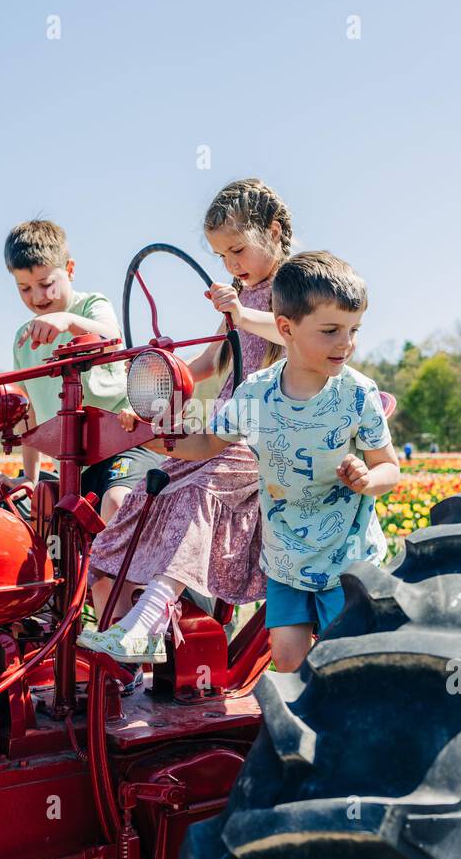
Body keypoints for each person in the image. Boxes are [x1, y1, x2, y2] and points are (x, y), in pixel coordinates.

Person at [89, 250, 400, 674]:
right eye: (331, 331)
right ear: (285, 329)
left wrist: (368, 478)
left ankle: (341, 731)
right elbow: (206, 444)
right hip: (287, 557)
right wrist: (159, 440)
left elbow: (390, 467)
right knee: (288, 659)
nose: (346, 343)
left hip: (346, 556)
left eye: (353, 329)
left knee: (346, 664)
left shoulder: (358, 394)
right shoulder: (256, 394)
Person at [80, 177, 293, 662]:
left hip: (265, 430)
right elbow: (209, 364)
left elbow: (294, 333)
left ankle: (148, 621)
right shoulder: (240, 296)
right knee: (138, 497)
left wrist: (239, 312)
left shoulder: (293, 286)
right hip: (221, 425)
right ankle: (133, 635)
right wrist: (157, 378)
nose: (231, 265)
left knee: (199, 493)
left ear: (274, 231)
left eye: (238, 249)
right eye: (222, 256)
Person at [5, 219, 159, 521]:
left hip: (125, 443)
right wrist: (30, 477)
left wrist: (67, 320)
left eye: (47, 284)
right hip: (73, 463)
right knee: (49, 523)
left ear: (70, 270)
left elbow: (110, 338)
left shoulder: (90, 306)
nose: (37, 298)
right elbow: (30, 415)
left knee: (116, 503)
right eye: (24, 288)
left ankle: (124, 568)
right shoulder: (24, 340)